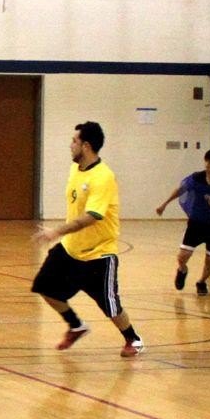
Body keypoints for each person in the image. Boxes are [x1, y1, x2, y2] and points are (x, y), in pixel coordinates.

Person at [31, 121, 145, 358]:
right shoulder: (76, 169)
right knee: (44, 287)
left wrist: (57, 231)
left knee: (110, 306)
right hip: (71, 249)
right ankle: (76, 326)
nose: (70, 145)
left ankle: (133, 339)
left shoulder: (103, 177)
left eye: (74, 141)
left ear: (86, 146)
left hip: (98, 254)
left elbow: (92, 216)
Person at [155, 148, 210, 296]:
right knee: (183, 256)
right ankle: (182, 269)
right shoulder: (197, 177)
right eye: (206, 161)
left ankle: (201, 282)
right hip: (197, 223)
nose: (207, 165)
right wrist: (164, 204)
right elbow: (180, 190)